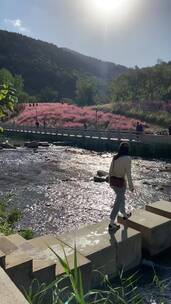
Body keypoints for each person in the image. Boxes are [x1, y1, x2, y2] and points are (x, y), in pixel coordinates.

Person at [108, 142, 134, 230]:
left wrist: (110, 181)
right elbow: (128, 173)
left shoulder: (115, 157)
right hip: (121, 183)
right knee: (118, 201)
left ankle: (124, 215)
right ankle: (111, 223)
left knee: (121, 198)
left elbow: (110, 170)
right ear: (128, 149)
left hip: (113, 182)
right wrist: (131, 186)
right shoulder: (128, 158)